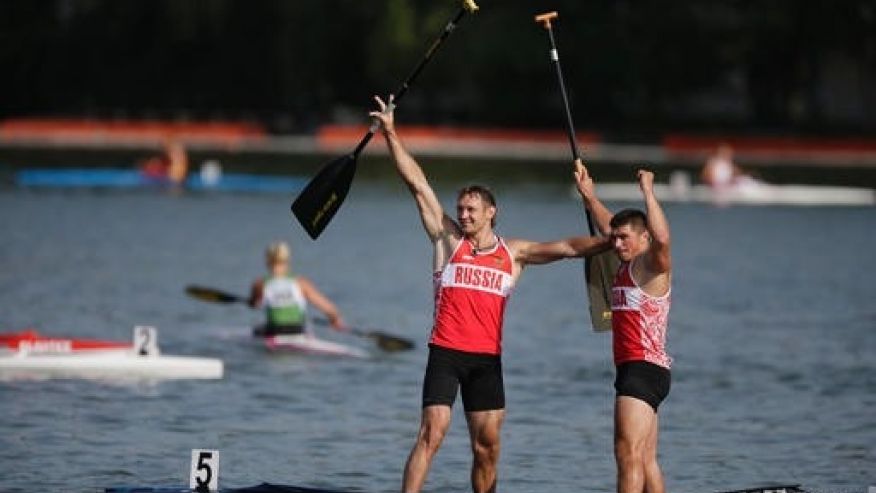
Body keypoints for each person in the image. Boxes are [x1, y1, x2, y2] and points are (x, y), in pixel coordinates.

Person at [369, 95, 611, 493]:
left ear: (490, 212)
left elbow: (569, 248)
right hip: (445, 354)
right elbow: (417, 183)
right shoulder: (448, 240)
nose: (463, 215)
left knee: (487, 448)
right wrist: (391, 134)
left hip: (487, 361)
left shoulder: (513, 253)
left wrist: (610, 243)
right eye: (461, 209)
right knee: (433, 433)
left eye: (471, 210)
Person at [576, 162, 673, 493]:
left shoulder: (652, 267)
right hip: (645, 370)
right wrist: (590, 197)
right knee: (645, 459)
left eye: (623, 239)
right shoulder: (628, 259)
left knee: (626, 454)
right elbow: (610, 225)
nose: (615, 244)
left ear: (642, 238)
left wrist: (648, 192)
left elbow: (661, 237)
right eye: (614, 239)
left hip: (641, 369)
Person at [248, 241, 347, 337]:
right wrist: (335, 320)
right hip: (297, 329)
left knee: (257, 329)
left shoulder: (259, 284)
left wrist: (253, 302)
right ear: (288, 260)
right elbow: (329, 309)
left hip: (274, 330)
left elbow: (254, 304)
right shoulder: (301, 283)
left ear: (267, 261)